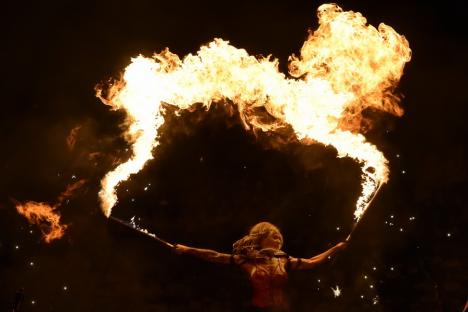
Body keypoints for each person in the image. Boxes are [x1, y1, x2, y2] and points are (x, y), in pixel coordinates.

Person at [174, 221, 347, 311]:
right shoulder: (246, 260)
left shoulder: (284, 259)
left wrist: (336, 248)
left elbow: (311, 262)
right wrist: (187, 249)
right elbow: (214, 256)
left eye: (279, 237)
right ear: (261, 238)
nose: (278, 239)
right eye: (274, 236)